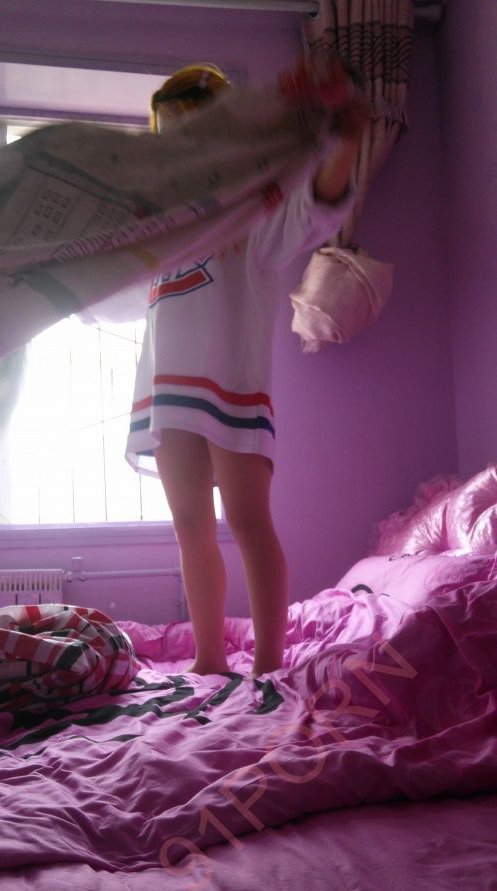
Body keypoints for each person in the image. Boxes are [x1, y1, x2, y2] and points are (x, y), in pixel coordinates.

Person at [125, 63, 366, 679]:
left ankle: (267, 662)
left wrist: (345, 139)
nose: (184, 146)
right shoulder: (161, 222)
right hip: (166, 389)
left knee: (248, 520)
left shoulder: (255, 209)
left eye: (194, 130)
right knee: (190, 527)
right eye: (172, 134)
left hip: (230, 386)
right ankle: (208, 659)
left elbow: (316, 209)